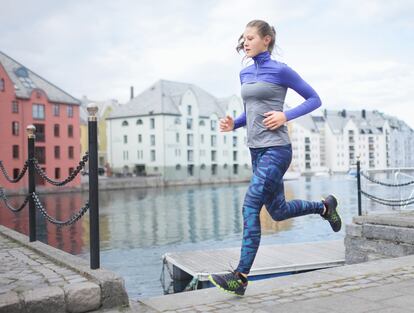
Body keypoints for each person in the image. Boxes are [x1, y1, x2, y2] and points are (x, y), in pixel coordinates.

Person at [208, 19, 341, 296]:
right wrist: (235, 124)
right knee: (278, 211)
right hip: (255, 150)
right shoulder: (244, 74)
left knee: (250, 206)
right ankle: (324, 207)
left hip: (277, 149)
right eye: (243, 38)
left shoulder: (281, 71)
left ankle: (240, 277)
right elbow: (253, 111)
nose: (245, 42)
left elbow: (314, 99)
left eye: (251, 37)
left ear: (266, 39)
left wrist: (285, 115)